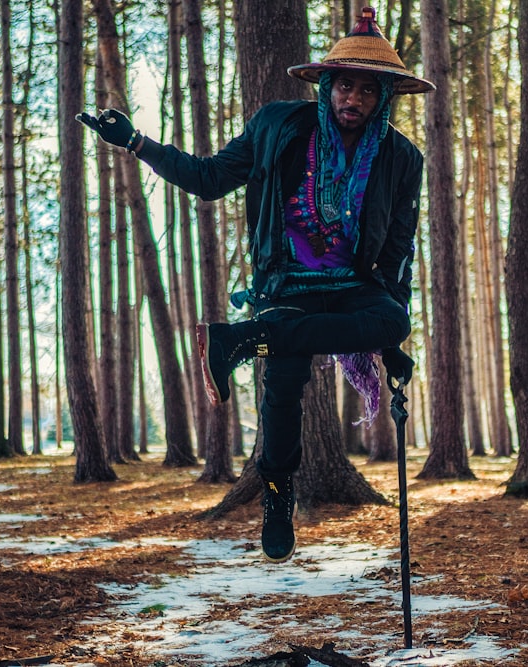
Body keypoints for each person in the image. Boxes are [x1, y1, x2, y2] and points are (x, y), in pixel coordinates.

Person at [78, 6, 431, 563]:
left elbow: (397, 252)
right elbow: (209, 178)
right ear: (327, 85)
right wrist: (138, 143)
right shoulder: (277, 126)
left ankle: (242, 340)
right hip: (286, 285)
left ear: (384, 95)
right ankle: (277, 494)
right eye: (345, 85)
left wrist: (390, 345)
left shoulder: (402, 157)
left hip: (351, 286)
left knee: (394, 319)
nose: (353, 100)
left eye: (367, 90)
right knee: (283, 389)